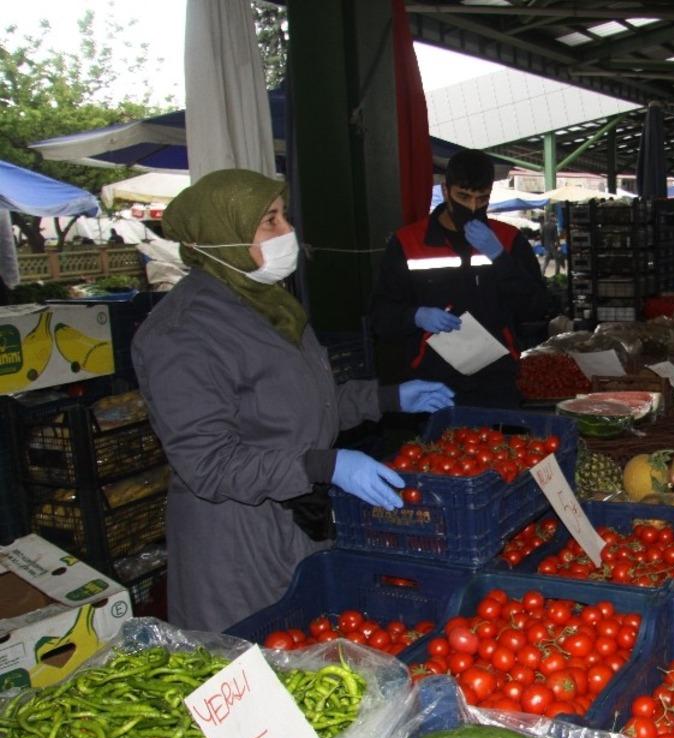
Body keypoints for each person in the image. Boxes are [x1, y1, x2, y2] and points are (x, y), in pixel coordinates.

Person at [132, 169, 454, 632]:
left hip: (299, 518)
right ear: (223, 235)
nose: (289, 233)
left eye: (285, 217)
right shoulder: (181, 333)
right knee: (259, 662)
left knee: (311, 652)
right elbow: (208, 463)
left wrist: (385, 397)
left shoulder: (267, 304)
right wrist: (323, 466)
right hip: (236, 540)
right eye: (270, 222)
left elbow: (305, 405)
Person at [371, 150, 550, 408]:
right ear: (445, 191)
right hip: (434, 380)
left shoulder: (509, 240)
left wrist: (500, 258)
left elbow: (537, 305)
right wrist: (415, 316)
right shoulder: (408, 242)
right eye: (463, 196)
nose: (473, 207)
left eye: (482, 198)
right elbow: (380, 314)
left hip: (497, 377)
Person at [540, 211, 561, 276]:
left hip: (546, 246)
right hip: (553, 246)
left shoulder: (544, 225)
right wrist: (558, 245)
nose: (555, 218)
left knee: (546, 261)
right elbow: (556, 237)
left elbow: (542, 236)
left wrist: (543, 244)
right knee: (557, 261)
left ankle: (542, 274)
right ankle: (557, 275)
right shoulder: (554, 226)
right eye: (554, 217)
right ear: (552, 217)